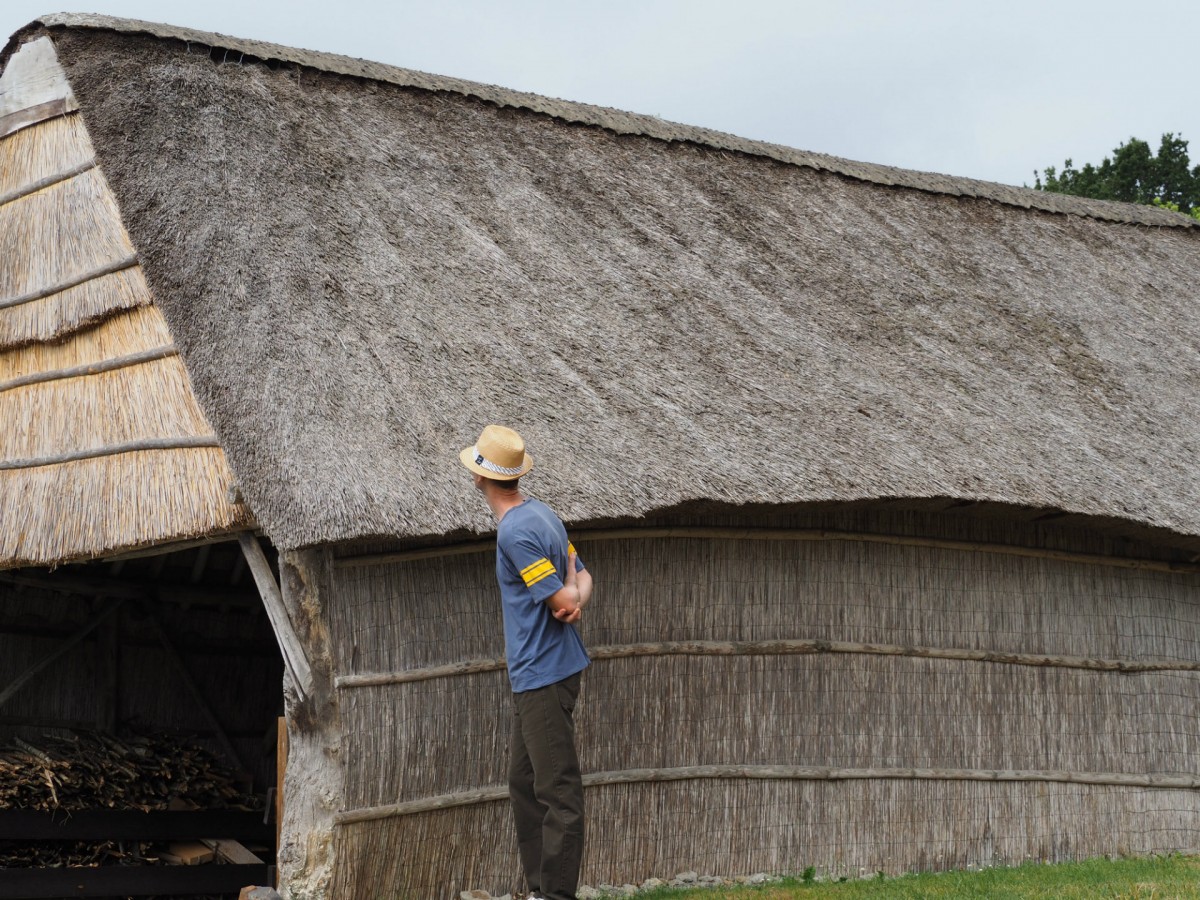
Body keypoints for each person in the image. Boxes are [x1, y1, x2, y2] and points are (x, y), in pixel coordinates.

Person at [460, 424, 593, 900]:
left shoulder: (515, 533)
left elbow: (562, 591)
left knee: (558, 791)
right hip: (542, 670)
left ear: (481, 478)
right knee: (523, 782)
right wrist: (575, 597)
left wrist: (568, 597)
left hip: (543, 671)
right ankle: (539, 888)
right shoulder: (544, 515)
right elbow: (582, 576)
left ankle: (555, 895)